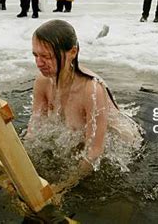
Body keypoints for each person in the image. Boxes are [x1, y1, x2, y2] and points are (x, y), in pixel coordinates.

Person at [26, 19, 143, 192]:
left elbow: (94, 151)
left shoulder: (91, 91)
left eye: (47, 57)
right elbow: (33, 131)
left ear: (72, 52)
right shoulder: (43, 82)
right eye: (35, 55)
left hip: (123, 144)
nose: (39, 63)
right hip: (80, 136)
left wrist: (62, 188)